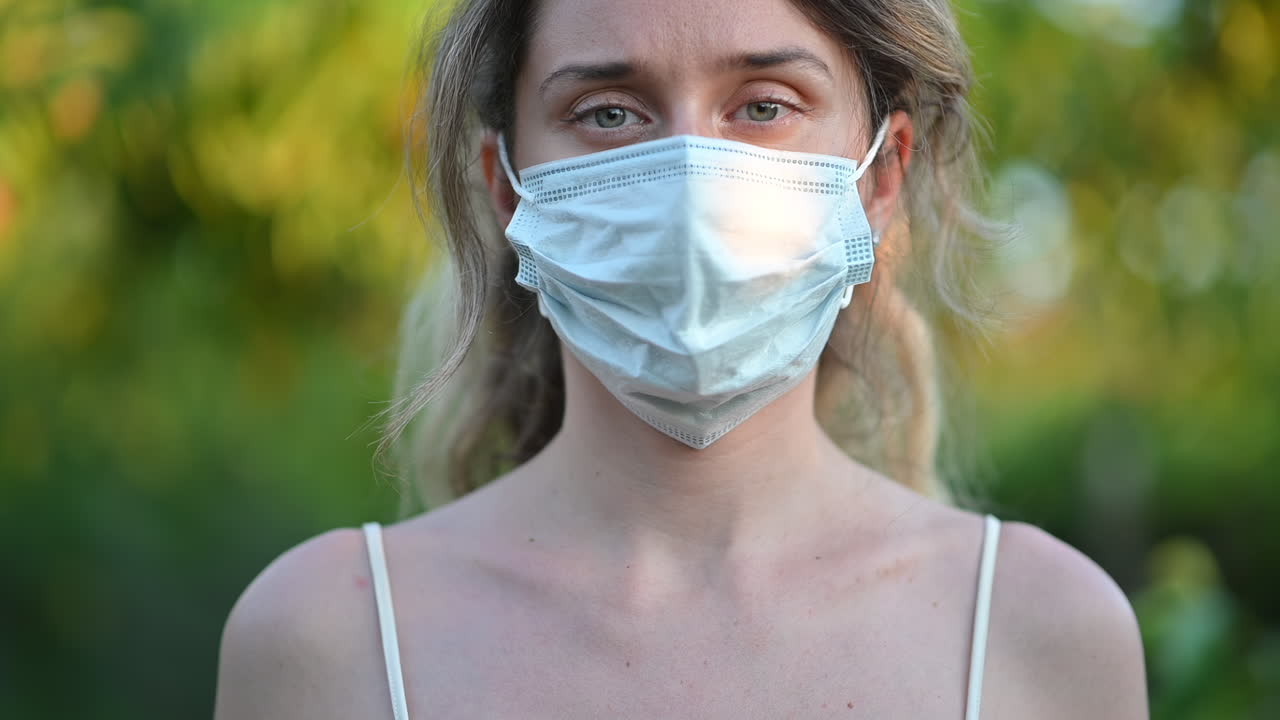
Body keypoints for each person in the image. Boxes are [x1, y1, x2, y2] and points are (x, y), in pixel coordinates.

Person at [214, 0, 1150, 717]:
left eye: (764, 105)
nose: (692, 177)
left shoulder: (1044, 635)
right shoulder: (326, 641)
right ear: (509, 189)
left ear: (882, 175)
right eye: (609, 113)